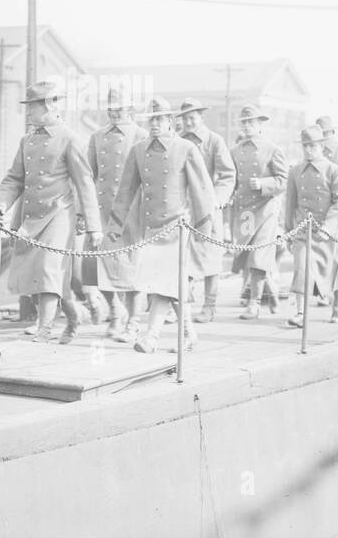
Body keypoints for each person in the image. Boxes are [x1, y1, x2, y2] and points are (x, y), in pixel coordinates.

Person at [0, 80, 102, 344]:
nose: (28, 113)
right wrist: (1, 203)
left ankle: (45, 328)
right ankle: (74, 314)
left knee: (48, 270)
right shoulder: (26, 140)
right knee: (36, 276)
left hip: (59, 215)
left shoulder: (70, 139)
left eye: (32, 107)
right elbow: (13, 179)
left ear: (48, 107)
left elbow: (84, 182)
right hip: (30, 216)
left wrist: (93, 225)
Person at [108, 97, 214, 353]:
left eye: (159, 119)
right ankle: (189, 334)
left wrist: (205, 229)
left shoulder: (186, 148)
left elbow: (202, 190)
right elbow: (125, 191)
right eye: (151, 119)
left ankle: (151, 336)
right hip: (151, 229)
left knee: (163, 284)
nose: (154, 124)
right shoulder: (139, 150)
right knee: (168, 283)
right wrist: (115, 225)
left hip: (178, 228)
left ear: (170, 121)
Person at [86, 88, 148, 341]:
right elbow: (87, 177)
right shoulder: (97, 136)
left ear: (130, 109)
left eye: (119, 108)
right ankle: (115, 310)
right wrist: (84, 213)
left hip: (133, 212)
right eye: (110, 108)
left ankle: (133, 322)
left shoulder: (141, 135)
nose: (114, 112)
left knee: (133, 269)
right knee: (101, 265)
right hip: (103, 212)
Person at [284, 126, 338, 326]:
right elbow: (290, 205)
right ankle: (301, 313)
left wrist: (328, 228)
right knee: (300, 268)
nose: (308, 150)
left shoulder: (334, 170)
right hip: (304, 231)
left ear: (321, 146)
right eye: (305, 146)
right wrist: (289, 232)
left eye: (312, 146)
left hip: (330, 230)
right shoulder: (295, 171)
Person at [179, 97, 236, 323]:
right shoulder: (178, 140)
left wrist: (217, 200)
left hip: (209, 209)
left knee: (211, 259)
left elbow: (228, 175)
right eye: (185, 119)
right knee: (182, 257)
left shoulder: (214, 141)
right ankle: (181, 305)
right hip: (184, 210)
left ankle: (209, 306)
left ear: (201, 117)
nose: (189, 122)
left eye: (192, 118)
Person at [229, 104, 288, 319]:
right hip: (245, 212)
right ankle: (270, 292)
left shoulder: (272, 149)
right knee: (246, 256)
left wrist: (264, 183)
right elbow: (230, 180)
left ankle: (254, 303)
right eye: (243, 122)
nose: (246, 126)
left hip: (265, 211)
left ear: (260, 124)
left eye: (251, 122)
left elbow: (284, 180)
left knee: (259, 256)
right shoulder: (234, 151)